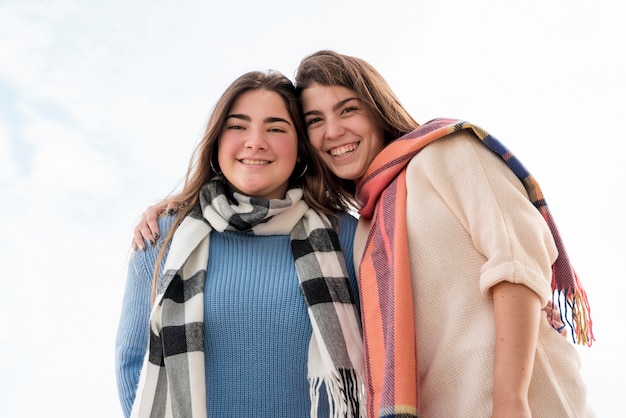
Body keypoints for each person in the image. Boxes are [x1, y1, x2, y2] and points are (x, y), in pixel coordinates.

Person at [134, 51, 595, 418]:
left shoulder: (444, 155)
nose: (334, 132)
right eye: (315, 120)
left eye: (347, 110)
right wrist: (182, 206)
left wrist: (510, 402)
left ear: (376, 109)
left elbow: (517, 265)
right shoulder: (367, 225)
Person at [116, 70, 365, 418]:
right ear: (217, 141)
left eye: (276, 128)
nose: (255, 141)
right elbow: (132, 366)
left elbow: (385, 356)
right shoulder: (163, 238)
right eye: (238, 126)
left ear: (300, 150)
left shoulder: (346, 237)